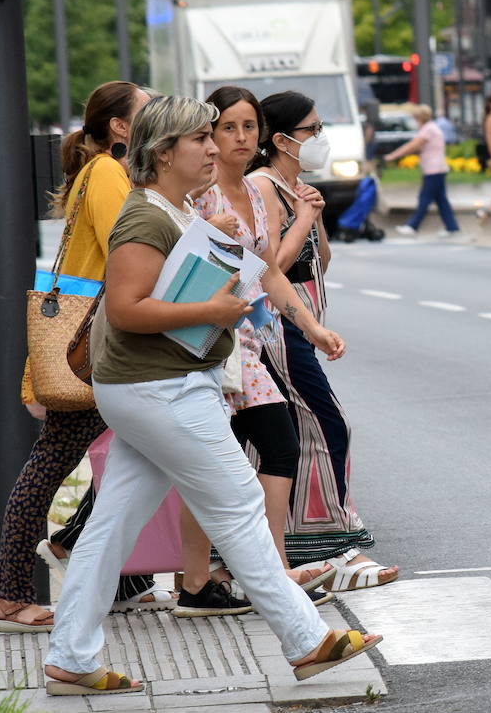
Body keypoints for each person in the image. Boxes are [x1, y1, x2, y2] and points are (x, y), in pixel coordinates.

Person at [42, 95, 379, 697]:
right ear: (164, 151)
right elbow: (124, 308)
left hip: (154, 386)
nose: (214, 146)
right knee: (240, 504)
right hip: (161, 388)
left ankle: (71, 658)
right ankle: (305, 640)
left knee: (111, 527)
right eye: (200, 138)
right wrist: (214, 309)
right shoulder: (145, 217)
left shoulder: (172, 208)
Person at [0, 82, 161, 635]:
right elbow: (127, 246)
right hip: (94, 344)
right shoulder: (109, 173)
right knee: (51, 466)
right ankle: (13, 598)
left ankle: (115, 575)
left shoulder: (106, 171)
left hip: (98, 340)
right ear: (120, 127)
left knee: (144, 451)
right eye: (148, 110)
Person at [176, 87, 341, 615]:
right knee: (214, 465)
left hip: (247, 345)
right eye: (229, 128)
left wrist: (311, 327)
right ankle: (198, 580)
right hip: (205, 347)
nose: (241, 138)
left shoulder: (252, 191)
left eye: (249, 127)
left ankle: (262, 569)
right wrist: (204, 232)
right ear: (209, 135)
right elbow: (172, 265)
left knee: (278, 446)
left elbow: (270, 273)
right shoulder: (199, 195)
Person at [249, 93, 400, 590]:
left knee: (290, 433)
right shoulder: (263, 185)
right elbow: (272, 265)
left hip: (299, 317)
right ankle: (334, 546)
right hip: (275, 322)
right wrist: (307, 217)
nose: (321, 137)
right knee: (325, 422)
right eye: (312, 129)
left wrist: (313, 215)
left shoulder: (296, 186)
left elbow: (319, 262)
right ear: (282, 139)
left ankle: (291, 544)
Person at [387, 104, 460, 238]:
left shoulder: (428, 130)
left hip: (434, 169)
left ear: (420, 117)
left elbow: (412, 146)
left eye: (415, 118)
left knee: (424, 198)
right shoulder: (430, 128)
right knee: (441, 200)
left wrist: (393, 156)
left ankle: (413, 225)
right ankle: (452, 226)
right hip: (436, 168)